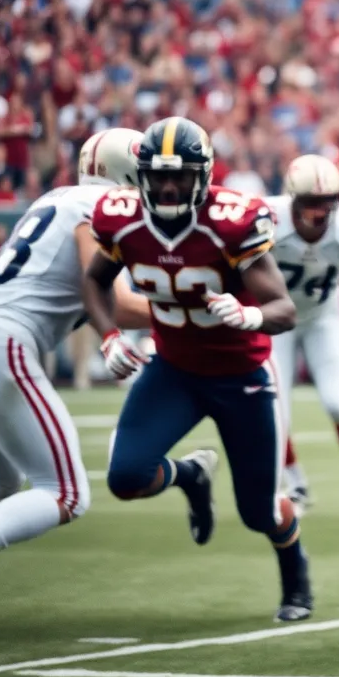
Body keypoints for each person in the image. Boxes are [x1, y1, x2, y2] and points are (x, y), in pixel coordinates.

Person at [81, 117, 312, 623]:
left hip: (242, 377)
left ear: (202, 177)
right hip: (175, 370)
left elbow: (284, 310)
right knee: (124, 476)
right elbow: (95, 281)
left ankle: (295, 575)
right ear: (139, 175)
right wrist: (109, 336)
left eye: (181, 176)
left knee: (260, 513)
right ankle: (190, 475)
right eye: (159, 175)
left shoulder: (231, 222)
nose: (168, 186)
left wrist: (250, 314)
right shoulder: (120, 218)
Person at [0, 129, 151, 645]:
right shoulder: (100, 206)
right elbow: (111, 299)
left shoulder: (59, 198)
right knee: (68, 492)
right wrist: (187, 311)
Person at [265, 154, 339, 515]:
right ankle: (297, 484)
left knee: (336, 402)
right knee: (276, 410)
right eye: (310, 202)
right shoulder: (268, 222)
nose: (319, 211)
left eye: (326, 202)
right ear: (292, 199)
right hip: (277, 321)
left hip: (322, 317)